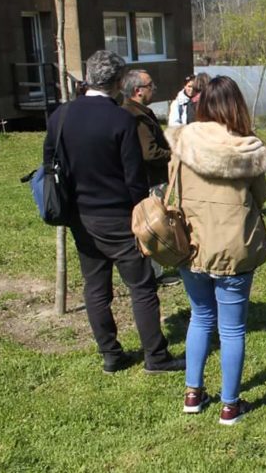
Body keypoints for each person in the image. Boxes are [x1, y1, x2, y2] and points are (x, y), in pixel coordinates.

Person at [43, 50, 184, 375]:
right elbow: (134, 178)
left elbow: (50, 161)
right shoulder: (121, 119)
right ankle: (156, 357)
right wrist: (141, 215)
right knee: (142, 286)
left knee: (95, 287)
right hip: (120, 217)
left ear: (90, 78)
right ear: (120, 82)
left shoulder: (60, 116)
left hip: (80, 217)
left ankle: (110, 354)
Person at [165, 76, 266, 425]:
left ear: (202, 104)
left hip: (191, 245)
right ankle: (229, 405)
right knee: (231, 330)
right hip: (234, 248)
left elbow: (174, 183)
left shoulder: (184, 141)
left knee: (200, 317)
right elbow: (260, 197)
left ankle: (192, 393)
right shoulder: (247, 149)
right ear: (236, 105)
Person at [121, 69, 176, 284]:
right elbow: (149, 152)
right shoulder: (135, 116)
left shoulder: (140, 111)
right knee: (153, 226)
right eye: (150, 85)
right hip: (149, 181)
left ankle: (151, 272)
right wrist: (173, 155)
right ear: (138, 91)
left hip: (147, 179)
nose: (154, 89)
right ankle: (151, 275)